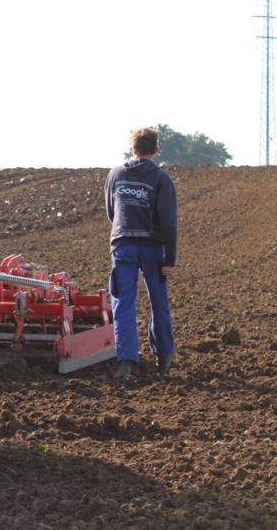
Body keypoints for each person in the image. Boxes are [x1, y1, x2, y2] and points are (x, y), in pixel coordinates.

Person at [105, 127, 179, 378]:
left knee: (123, 301)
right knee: (158, 301)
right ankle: (164, 355)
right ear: (156, 150)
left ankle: (126, 361)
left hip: (123, 245)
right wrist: (170, 257)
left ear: (133, 148)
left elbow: (111, 211)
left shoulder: (115, 175)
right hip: (153, 248)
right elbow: (168, 221)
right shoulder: (161, 179)